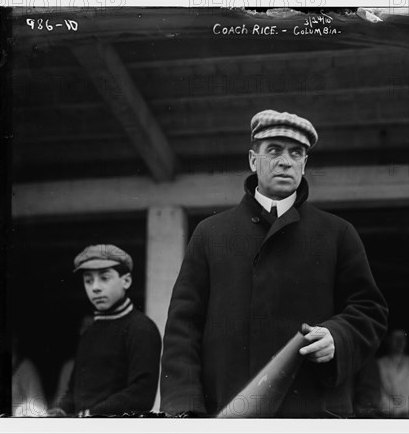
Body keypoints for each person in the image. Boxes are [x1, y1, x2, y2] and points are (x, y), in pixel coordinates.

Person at [160, 109, 389, 417]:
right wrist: (185, 409)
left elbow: (370, 311)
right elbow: (182, 329)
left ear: (304, 164)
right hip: (227, 413)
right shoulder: (210, 234)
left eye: (296, 153)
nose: (285, 161)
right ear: (253, 160)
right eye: (274, 151)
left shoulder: (338, 233)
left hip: (313, 414)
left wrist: (338, 336)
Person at [48, 244, 162, 416]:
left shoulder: (141, 328)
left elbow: (141, 395)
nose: (95, 287)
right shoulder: (89, 332)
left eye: (104, 278)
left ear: (126, 281)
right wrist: (60, 411)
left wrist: (91, 414)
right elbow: (74, 391)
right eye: (88, 280)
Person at [374, 329, 409, 418]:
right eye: (395, 338)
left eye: (403, 338)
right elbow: (379, 395)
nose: (400, 341)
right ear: (388, 340)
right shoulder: (379, 365)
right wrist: (398, 413)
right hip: (390, 418)